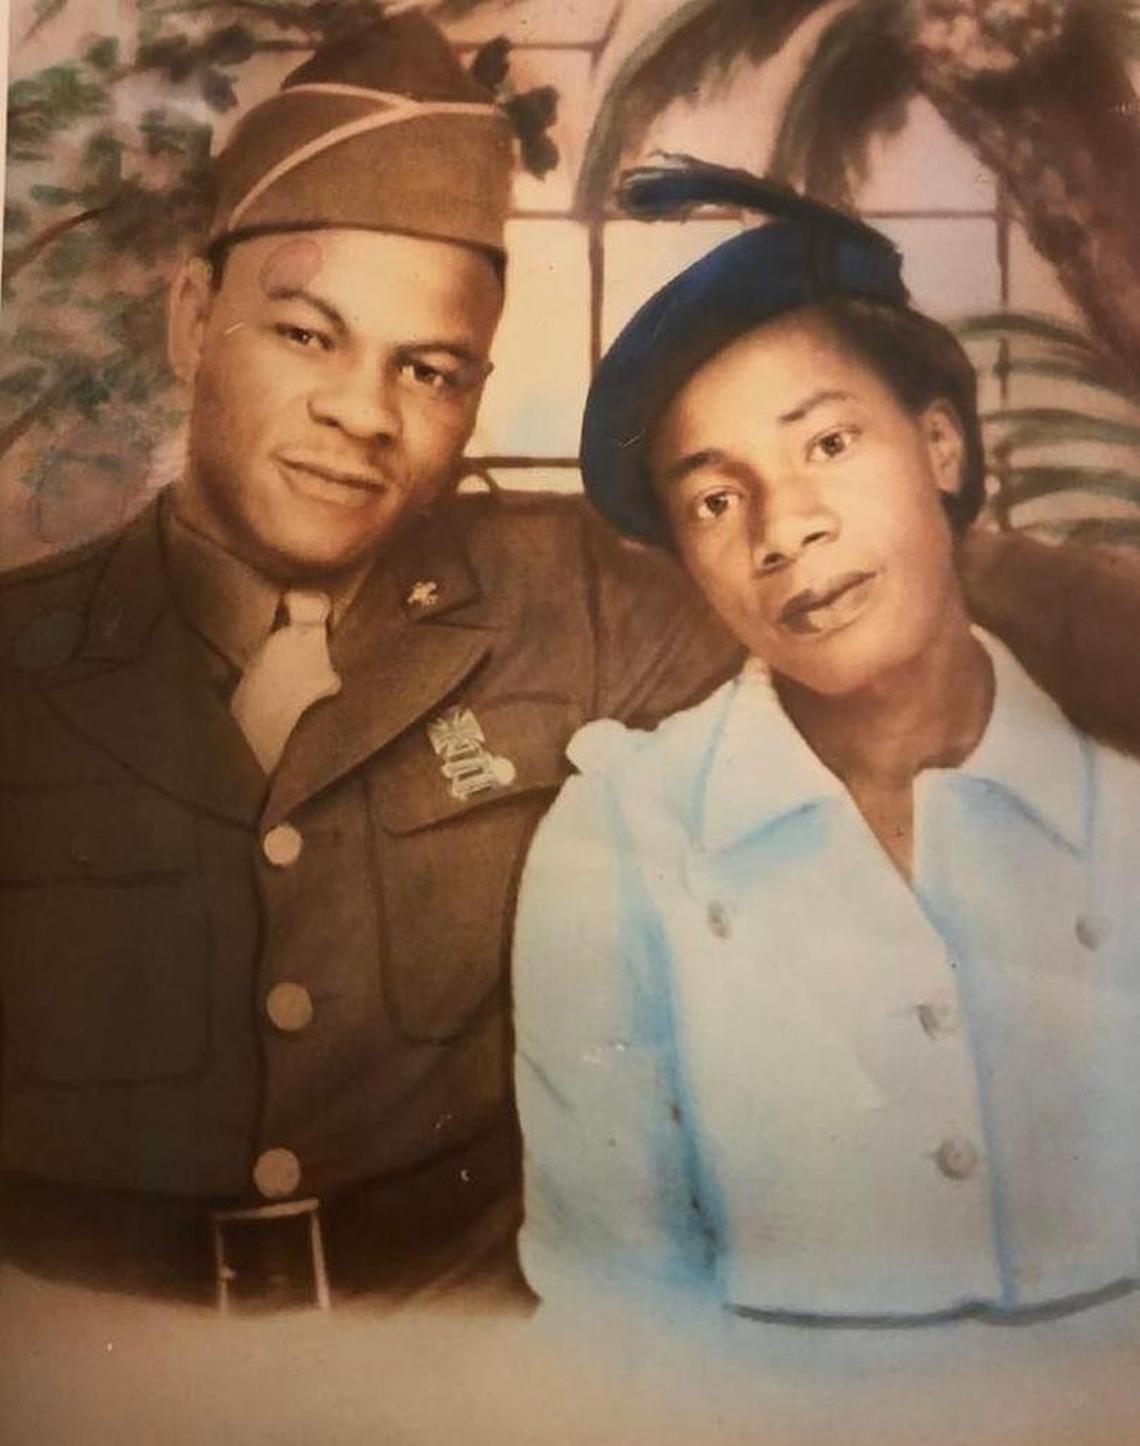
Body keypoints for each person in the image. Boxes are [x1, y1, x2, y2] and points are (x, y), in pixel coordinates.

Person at [0, 33, 1135, 1311]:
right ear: (193, 320)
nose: (363, 412)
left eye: (428, 370)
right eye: (308, 335)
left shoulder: (569, 596)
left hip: (464, 1345)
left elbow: (889, 590)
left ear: (475, 393)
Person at [513, 163, 1140, 1324]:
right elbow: (617, 1324)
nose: (784, 529)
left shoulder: (1125, 813)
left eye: (831, 443)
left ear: (940, 446)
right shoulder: (626, 839)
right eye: (714, 500)